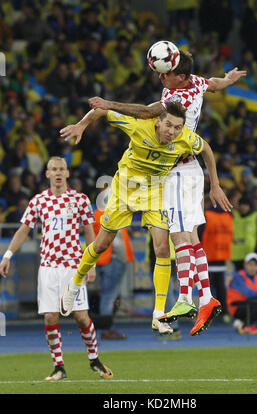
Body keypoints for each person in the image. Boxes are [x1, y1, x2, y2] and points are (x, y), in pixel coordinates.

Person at [88, 49, 243, 335]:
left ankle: (189, 298)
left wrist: (108, 103)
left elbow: (147, 112)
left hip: (180, 170)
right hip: (187, 167)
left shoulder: (175, 101)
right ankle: (203, 297)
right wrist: (227, 80)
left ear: (180, 76)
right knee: (188, 236)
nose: (160, 77)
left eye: (166, 73)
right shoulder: (195, 81)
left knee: (180, 235)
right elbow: (213, 83)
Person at [59, 102, 232, 338]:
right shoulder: (138, 125)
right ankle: (76, 282)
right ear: (158, 121)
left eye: (178, 127)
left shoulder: (185, 138)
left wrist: (215, 184)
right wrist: (81, 125)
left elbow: (207, 149)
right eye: (168, 125)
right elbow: (101, 110)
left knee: (162, 249)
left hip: (155, 193)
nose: (172, 131)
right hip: (126, 188)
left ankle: (158, 315)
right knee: (101, 244)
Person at [0, 157, 113, 381]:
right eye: (54, 169)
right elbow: (23, 230)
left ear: (68, 173)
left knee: (81, 317)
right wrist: (8, 255)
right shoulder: (38, 201)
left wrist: (90, 264)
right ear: (47, 174)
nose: (58, 172)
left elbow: (89, 231)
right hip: (49, 268)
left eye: (62, 169)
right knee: (51, 317)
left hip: (74, 267)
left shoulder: (80, 200)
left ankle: (94, 359)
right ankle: (59, 367)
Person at [93, 196, 135, 340]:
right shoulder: (110, 214)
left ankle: (106, 328)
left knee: (107, 295)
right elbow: (115, 241)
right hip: (113, 259)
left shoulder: (98, 214)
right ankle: (107, 329)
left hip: (106, 260)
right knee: (109, 296)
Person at [197, 195, 234, 321]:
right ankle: (224, 312)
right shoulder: (228, 217)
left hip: (207, 255)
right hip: (222, 255)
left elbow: (199, 234)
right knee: (220, 286)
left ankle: (207, 313)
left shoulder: (206, 216)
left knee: (207, 287)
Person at [231, 195, 257, 271]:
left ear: (250, 206)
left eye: (245, 205)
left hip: (253, 255)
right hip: (238, 256)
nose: (243, 207)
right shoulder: (235, 217)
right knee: (241, 280)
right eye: (241, 205)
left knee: (255, 280)